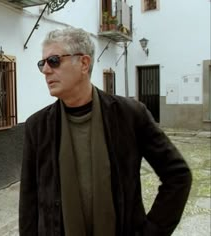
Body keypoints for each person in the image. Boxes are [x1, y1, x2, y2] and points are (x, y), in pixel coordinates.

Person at [19, 27, 192, 236]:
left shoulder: (129, 115)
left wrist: (152, 231)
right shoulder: (37, 126)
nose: (46, 70)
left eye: (54, 61)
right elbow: (29, 200)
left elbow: (178, 175)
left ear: (84, 63)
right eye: (42, 63)